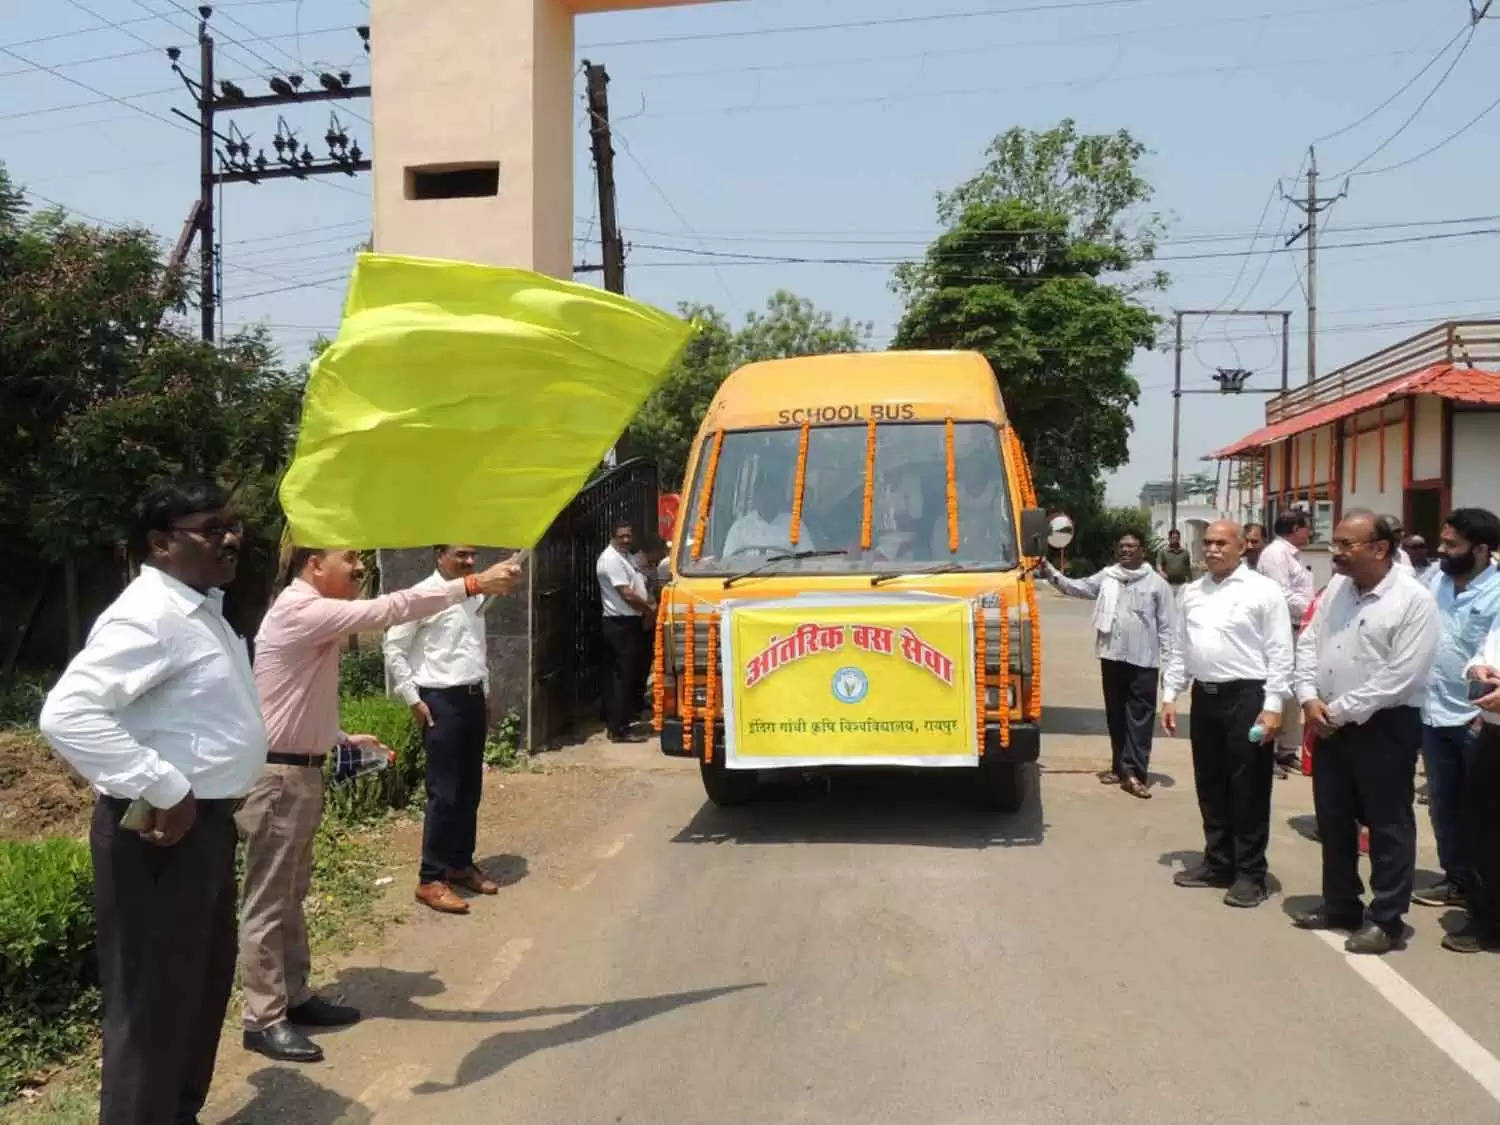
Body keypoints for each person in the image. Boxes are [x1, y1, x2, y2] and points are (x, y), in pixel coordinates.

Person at [38, 480, 266, 1125]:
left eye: (233, 525)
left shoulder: (200, 610)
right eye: (211, 528)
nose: (231, 538)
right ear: (161, 544)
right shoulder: (150, 615)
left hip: (205, 827)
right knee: (152, 1001)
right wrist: (164, 784)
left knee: (197, 987)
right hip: (160, 833)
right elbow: (67, 714)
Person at [239, 547, 522, 1062]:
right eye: (348, 557)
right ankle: (262, 1018)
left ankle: (294, 997)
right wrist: (472, 584)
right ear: (313, 565)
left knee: (291, 892)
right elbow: (389, 610)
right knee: (268, 900)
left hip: (297, 770)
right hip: (279, 778)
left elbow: (287, 700)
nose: (359, 567)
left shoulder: (308, 613)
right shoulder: (300, 608)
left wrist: (338, 737)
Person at [1293, 512, 1439, 955]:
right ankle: (1341, 904)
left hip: (1385, 726)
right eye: (1334, 542)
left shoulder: (1413, 601)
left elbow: (1401, 676)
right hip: (1328, 719)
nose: (1335, 552)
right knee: (1334, 819)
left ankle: (1386, 919)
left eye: (1345, 545)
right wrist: (1306, 695)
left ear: (1379, 549)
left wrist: (1336, 710)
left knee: (1387, 824)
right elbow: (1308, 641)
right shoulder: (1337, 588)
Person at [1161, 520, 1293, 909]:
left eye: (1222, 543)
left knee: (1248, 786)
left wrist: (1273, 707)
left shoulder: (1263, 591)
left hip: (1248, 699)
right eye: (1208, 543)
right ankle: (1218, 861)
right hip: (1207, 697)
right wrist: (1171, 694)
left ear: (1242, 547)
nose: (1213, 549)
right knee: (1210, 782)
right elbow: (1182, 649)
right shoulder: (1192, 593)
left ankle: (1250, 873)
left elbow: (1281, 652)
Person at [383, 545, 505, 917]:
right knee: (444, 792)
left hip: (469, 698)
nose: (469, 562)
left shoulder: (473, 595)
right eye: (460, 555)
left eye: (472, 556)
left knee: (470, 788)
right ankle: (430, 878)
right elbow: (393, 647)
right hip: (440, 701)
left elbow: (474, 648)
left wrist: (483, 693)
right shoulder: (424, 595)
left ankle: (459, 862)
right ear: (439, 556)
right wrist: (413, 699)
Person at [1412, 511, 1500, 912]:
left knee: (1482, 809)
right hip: (1432, 712)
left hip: (1478, 719)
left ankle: (1486, 889)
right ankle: (1457, 879)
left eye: (1452, 545)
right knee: (1444, 802)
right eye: (1442, 542)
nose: (1441, 550)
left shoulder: (1497, 591)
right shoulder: (1434, 580)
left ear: (1481, 549)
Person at [1041, 531, 1173, 798]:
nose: (1126, 551)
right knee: (1116, 715)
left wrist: (1170, 671)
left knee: (1139, 719)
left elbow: (1168, 628)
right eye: (1122, 546)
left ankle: (1135, 773)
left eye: (1132, 547)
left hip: (1143, 661)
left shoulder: (1157, 584)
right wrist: (1049, 570)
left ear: (1142, 551)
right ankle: (1119, 766)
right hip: (1112, 656)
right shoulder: (1108, 576)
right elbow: (1075, 587)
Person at [1452, 617, 1500, 951]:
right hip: (1493, 732)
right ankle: (1487, 918)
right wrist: (1477, 669)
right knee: (1482, 829)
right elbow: (1484, 651)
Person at [1257, 510, 1314, 777]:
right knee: (1276, 688)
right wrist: (1312, 609)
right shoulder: (1275, 554)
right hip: (1279, 629)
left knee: (1292, 690)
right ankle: (1268, 750)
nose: (1310, 533)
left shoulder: (1292, 555)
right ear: (1294, 528)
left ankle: (1286, 751)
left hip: (1297, 629)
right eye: (1306, 528)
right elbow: (1280, 593)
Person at [597, 520, 655, 743]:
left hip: (630, 621)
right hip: (620, 623)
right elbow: (627, 594)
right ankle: (618, 729)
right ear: (612, 537)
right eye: (621, 536)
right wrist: (649, 610)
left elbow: (641, 579)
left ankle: (622, 721)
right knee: (621, 677)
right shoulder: (610, 559)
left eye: (628, 535)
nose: (625, 539)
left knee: (628, 674)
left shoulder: (626, 556)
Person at [722, 467, 812, 557]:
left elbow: (808, 561)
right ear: (755, 497)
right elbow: (728, 563)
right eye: (763, 494)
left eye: (772, 495)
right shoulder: (740, 528)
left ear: (780, 497)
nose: (767, 500)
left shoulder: (795, 526)